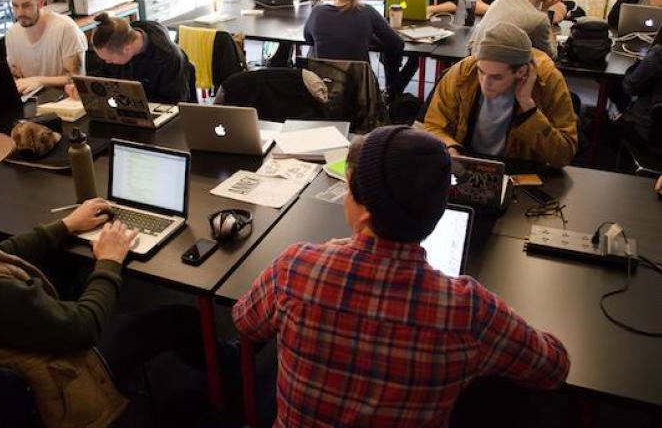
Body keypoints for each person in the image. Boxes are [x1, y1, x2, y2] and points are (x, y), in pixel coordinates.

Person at [232, 125, 570, 427]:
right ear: (438, 210)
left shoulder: (295, 268)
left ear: (363, 209)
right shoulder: (469, 311)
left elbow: (245, 322)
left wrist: (323, 259)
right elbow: (553, 368)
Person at [0, 134, 210, 426]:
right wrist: (109, 261)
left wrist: (66, 225)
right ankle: (231, 378)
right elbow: (84, 327)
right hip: (57, 378)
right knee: (181, 318)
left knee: (66, 268)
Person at [424, 21, 578, 168]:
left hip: (517, 171)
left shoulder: (548, 81)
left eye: (497, 77)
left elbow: (563, 155)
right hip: (466, 165)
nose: (485, 84)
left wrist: (528, 108)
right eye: (482, 72)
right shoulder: (464, 71)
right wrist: (450, 147)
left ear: (521, 72)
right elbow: (433, 126)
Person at [68, 12, 195, 104]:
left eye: (110, 60)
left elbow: (173, 104)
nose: (106, 62)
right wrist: (86, 89)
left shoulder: (169, 58)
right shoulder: (118, 38)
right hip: (123, 106)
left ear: (126, 49)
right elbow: (98, 73)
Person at [303, 0, 407, 74]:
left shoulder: (317, 12)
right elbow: (397, 43)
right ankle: (393, 90)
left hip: (324, 85)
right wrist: (369, 36)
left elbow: (308, 38)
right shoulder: (368, 12)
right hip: (360, 86)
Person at [6, 0, 87, 94]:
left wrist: (39, 81)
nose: (19, 13)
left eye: (26, 6)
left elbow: (76, 78)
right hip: (31, 98)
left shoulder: (66, 28)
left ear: (41, 2)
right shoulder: (12, 33)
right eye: (15, 6)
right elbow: (16, 75)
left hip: (64, 99)